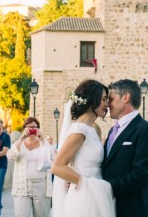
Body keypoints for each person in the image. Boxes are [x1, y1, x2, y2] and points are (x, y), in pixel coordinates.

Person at [51, 79, 115, 217]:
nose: (107, 104)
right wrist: (86, 183)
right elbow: (57, 166)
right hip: (85, 198)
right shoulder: (80, 130)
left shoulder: (93, 128)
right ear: (92, 101)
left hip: (98, 195)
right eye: (104, 99)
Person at [102, 79, 148, 217]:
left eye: (111, 99)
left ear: (125, 98)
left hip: (134, 209)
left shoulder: (147, 130)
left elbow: (142, 175)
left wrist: (106, 188)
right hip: (108, 207)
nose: (108, 104)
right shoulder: (112, 131)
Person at [7, 116, 54, 217]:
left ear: (38, 129)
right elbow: (10, 156)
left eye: (35, 127)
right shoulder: (19, 144)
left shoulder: (44, 144)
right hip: (22, 186)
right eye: (29, 127)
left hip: (41, 186)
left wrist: (42, 140)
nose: (32, 130)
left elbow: (53, 158)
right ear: (24, 128)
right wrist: (21, 138)